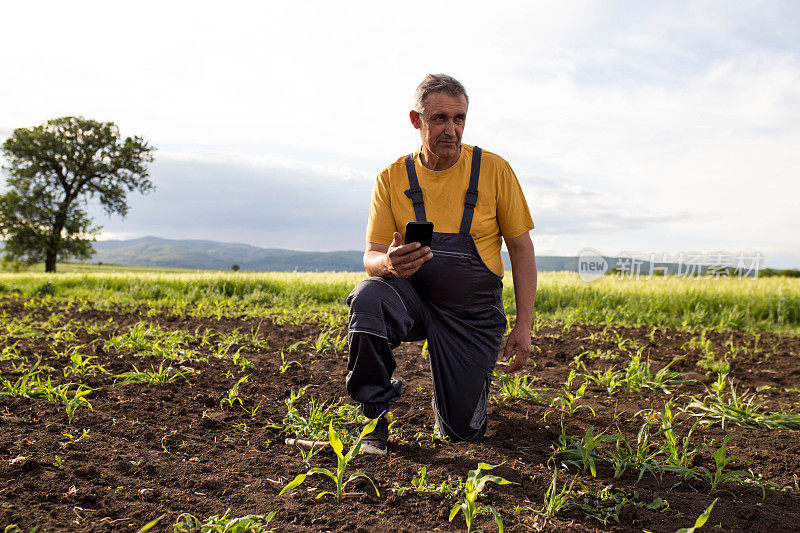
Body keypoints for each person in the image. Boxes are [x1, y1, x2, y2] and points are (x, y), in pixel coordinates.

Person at [346, 74, 537, 454]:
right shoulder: (391, 177)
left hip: (472, 313)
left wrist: (524, 325)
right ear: (417, 120)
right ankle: (373, 419)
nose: (451, 130)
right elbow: (371, 256)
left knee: (461, 436)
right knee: (368, 296)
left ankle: (456, 401)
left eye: (459, 119)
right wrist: (388, 263)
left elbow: (520, 248)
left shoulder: (494, 170)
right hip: (413, 300)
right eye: (439, 119)